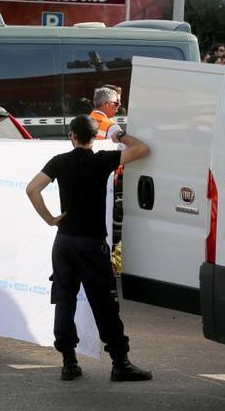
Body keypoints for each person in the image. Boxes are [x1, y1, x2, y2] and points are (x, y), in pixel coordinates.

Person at [25, 115, 153, 382]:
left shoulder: (59, 161)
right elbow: (142, 150)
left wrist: (49, 219)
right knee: (104, 304)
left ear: (71, 135)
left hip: (64, 242)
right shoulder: (102, 160)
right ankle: (120, 363)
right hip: (91, 244)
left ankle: (68, 362)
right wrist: (118, 136)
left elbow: (32, 189)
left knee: (64, 300)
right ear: (95, 137)